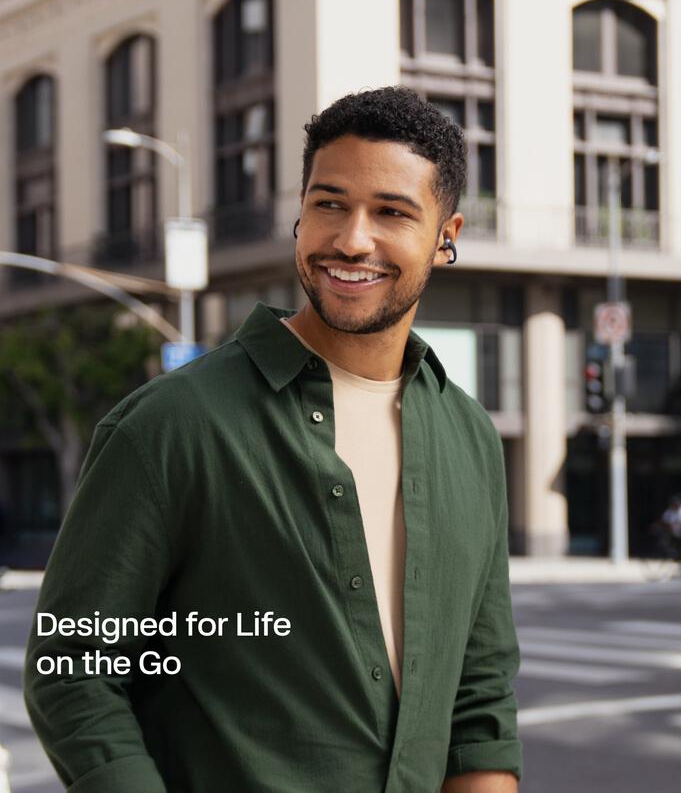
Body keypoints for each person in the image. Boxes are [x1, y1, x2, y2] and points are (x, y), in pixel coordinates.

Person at [24, 87, 523, 792]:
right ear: (298, 217)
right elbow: (72, 671)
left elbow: (480, 697)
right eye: (328, 203)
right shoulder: (170, 428)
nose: (351, 238)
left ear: (446, 235)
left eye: (391, 212)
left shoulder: (469, 436)